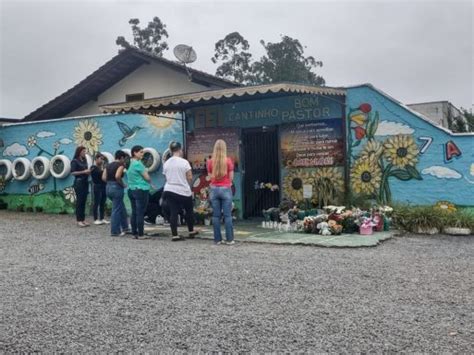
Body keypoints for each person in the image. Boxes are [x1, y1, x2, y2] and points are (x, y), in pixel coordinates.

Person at [162, 141, 198, 241]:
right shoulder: (184, 162)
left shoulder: (166, 163)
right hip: (183, 191)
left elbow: (165, 177)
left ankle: (175, 235)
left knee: (173, 212)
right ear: (180, 149)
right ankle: (191, 231)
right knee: (189, 210)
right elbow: (190, 177)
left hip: (169, 190)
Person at [207, 139, 235, 245]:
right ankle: (229, 239)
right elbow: (231, 177)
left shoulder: (210, 162)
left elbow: (210, 177)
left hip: (214, 189)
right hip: (226, 188)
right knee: (227, 215)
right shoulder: (228, 161)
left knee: (216, 216)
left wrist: (215, 181)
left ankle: (217, 239)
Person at [127, 145, 155, 239]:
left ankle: (134, 233)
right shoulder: (138, 164)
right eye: (141, 152)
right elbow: (147, 177)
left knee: (134, 212)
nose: (143, 154)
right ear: (135, 153)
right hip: (141, 190)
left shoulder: (130, 163)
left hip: (131, 189)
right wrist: (150, 181)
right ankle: (141, 234)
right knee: (140, 212)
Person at [103, 150, 129, 237]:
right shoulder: (120, 165)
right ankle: (115, 231)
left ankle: (125, 227)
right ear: (122, 158)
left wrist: (110, 183)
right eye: (124, 159)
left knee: (121, 207)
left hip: (108, 187)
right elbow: (117, 176)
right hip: (116, 188)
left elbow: (103, 177)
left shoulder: (108, 165)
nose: (124, 160)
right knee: (116, 209)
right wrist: (122, 184)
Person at [71, 146, 91, 227]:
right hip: (79, 183)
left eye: (85, 151)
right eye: (83, 151)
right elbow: (72, 172)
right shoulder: (74, 161)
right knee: (79, 201)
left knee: (83, 201)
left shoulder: (84, 160)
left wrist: (88, 172)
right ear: (79, 152)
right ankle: (79, 220)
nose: (84, 153)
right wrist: (83, 171)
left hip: (85, 182)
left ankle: (83, 219)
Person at [90, 153, 109, 225]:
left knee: (102, 202)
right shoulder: (93, 167)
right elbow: (98, 174)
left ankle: (102, 218)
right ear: (96, 159)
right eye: (101, 159)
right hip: (97, 186)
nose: (102, 161)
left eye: (103, 159)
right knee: (97, 202)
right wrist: (103, 170)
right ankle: (95, 219)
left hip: (104, 186)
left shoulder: (102, 168)